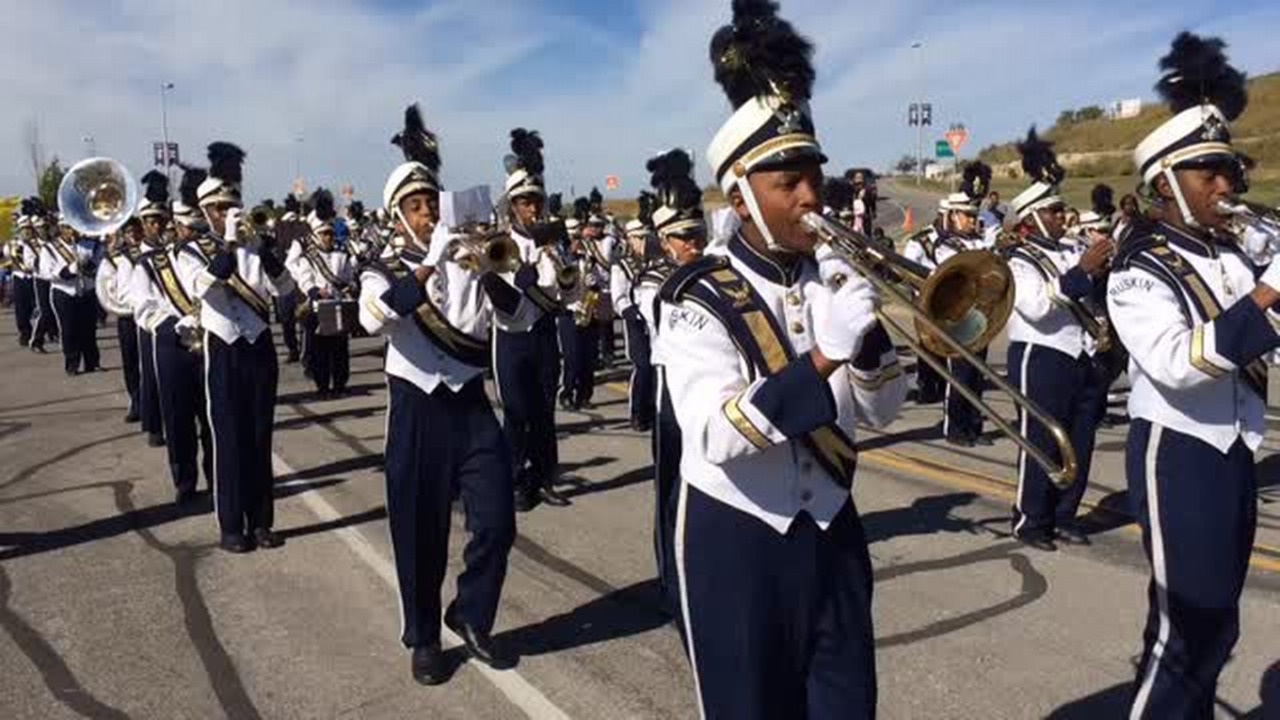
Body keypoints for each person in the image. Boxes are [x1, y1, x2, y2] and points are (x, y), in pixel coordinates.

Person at [668, 4, 908, 716]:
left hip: (833, 534)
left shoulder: (827, 277)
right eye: (787, 182)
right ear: (741, 194)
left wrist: (863, 346)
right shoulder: (693, 296)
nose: (810, 195)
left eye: (813, 175)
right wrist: (825, 355)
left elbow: (884, 409)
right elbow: (714, 433)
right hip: (738, 545)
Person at [1108, 33, 1278, 718]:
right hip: (1178, 450)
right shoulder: (1139, 268)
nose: (1226, 185)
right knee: (1188, 632)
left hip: (1236, 448)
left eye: (1227, 170)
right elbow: (1181, 364)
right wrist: (1267, 295)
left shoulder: (1235, 256)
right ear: (1165, 185)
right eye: (1208, 172)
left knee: (1217, 627)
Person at [359, 104, 517, 685]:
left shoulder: (472, 260)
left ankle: (470, 612)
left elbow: (517, 316)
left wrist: (496, 271)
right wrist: (429, 261)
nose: (426, 215)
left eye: (431, 204)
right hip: (418, 407)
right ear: (396, 216)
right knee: (420, 531)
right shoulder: (384, 266)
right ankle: (424, 637)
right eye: (415, 208)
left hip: (472, 405)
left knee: (498, 521)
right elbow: (374, 317)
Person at [175, 142, 295, 554]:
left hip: (259, 348)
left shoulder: (254, 246)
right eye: (220, 209)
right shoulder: (189, 250)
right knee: (228, 439)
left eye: (233, 206)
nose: (229, 214)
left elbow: (286, 291)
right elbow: (204, 287)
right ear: (206, 212)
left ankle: (262, 521)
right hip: (222, 349)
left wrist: (268, 254)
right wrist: (227, 244)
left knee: (260, 437)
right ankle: (231, 526)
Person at [1004, 127, 1114, 552]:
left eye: (1059, 209)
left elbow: (1088, 291)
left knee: (1080, 440)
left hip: (1082, 354)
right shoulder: (1017, 259)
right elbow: (1036, 306)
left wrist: (1101, 267)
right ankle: (1031, 520)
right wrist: (1084, 270)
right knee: (1043, 441)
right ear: (1031, 216)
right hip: (1039, 354)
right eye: (1051, 211)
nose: (1061, 216)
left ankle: (1065, 514)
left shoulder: (1069, 249)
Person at [637, 150, 706, 623]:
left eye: (699, 234)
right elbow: (666, 314)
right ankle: (670, 581)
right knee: (671, 495)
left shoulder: (710, 270)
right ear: (664, 240)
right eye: (684, 237)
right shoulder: (652, 281)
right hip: (671, 401)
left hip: (710, 397)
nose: (694, 244)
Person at [491, 128, 571, 511]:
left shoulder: (551, 240)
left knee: (544, 410)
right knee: (517, 411)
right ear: (512, 205)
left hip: (542, 332)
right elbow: (497, 298)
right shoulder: (499, 243)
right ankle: (512, 478)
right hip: (510, 336)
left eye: (535, 201)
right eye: (524, 202)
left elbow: (568, 293)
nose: (532, 209)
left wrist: (564, 270)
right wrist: (520, 282)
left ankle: (544, 477)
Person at [132, 168, 214, 504]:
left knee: (211, 416)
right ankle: (185, 481)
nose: (191, 234)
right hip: (172, 346)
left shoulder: (205, 257)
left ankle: (218, 478)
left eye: (197, 227)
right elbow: (143, 307)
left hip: (209, 342)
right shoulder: (149, 263)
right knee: (178, 418)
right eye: (187, 227)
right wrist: (172, 324)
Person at [934, 162, 996, 447]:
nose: (972, 221)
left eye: (974, 215)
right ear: (954, 216)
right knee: (958, 377)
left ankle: (974, 425)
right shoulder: (945, 246)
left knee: (976, 376)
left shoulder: (977, 242)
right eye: (967, 216)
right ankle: (955, 428)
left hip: (980, 316)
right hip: (956, 318)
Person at [297, 189, 356, 397]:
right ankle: (322, 387)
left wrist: (350, 286)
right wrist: (314, 290)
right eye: (324, 234)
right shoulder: (309, 257)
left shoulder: (342, 254)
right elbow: (304, 278)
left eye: (330, 233)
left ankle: (340, 384)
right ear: (316, 235)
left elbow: (349, 275)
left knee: (340, 350)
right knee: (320, 351)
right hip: (317, 309)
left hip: (338, 306)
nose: (328, 237)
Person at [611, 216, 657, 432]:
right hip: (636, 322)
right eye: (638, 238)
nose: (642, 242)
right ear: (629, 239)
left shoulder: (656, 261)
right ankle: (637, 413)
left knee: (658, 366)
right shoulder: (622, 265)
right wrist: (631, 312)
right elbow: (618, 297)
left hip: (656, 321)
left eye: (645, 237)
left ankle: (654, 409)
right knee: (643, 367)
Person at [45, 217, 103, 375]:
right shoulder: (50, 248)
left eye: (74, 228)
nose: (72, 232)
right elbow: (47, 272)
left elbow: (100, 264)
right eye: (68, 228)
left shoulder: (90, 245)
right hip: (64, 292)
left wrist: (88, 265)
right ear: (61, 228)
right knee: (69, 330)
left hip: (86, 291)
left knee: (89, 329)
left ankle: (92, 362)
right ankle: (72, 364)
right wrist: (70, 269)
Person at [10, 209, 39, 348]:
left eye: (28, 229)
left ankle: (45, 330)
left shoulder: (38, 244)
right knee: (21, 309)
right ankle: (25, 333)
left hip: (34, 277)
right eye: (23, 229)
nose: (26, 232)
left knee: (39, 306)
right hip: (19, 278)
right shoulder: (13, 244)